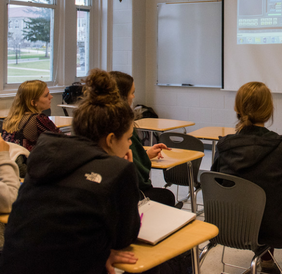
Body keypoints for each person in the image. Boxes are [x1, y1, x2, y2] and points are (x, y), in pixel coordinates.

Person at [0, 69, 141, 274]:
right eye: (129, 138)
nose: (130, 144)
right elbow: (124, 238)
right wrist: (130, 171)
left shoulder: (44, 155)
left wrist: (96, 250)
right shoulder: (118, 170)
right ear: (111, 140)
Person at [211, 81, 282, 273]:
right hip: (272, 228)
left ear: (237, 108)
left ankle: (265, 259)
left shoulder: (223, 147)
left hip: (229, 224)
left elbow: (216, 180)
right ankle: (266, 260)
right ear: (269, 110)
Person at [109, 71, 176, 207]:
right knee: (167, 196)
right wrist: (143, 160)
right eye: (132, 92)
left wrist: (145, 155)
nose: (134, 97)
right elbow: (138, 175)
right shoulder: (122, 125)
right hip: (130, 195)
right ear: (122, 96)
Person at [1, 80, 62, 151]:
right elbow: (61, 140)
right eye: (46, 95)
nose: (51, 97)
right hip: (30, 160)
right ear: (33, 102)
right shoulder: (37, 119)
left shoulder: (9, 120)